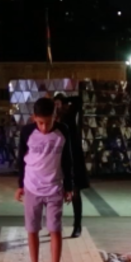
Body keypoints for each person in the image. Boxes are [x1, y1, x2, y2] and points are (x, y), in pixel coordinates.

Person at [14, 97, 75, 262]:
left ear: (55, 117)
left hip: (54, 188)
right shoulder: (26, 132)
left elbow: (68, 158)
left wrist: (69, 186)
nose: (44, 127)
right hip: (31, 187)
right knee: (32, 230)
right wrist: (19, 184)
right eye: (40, 122)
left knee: (54, 230)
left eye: (48, 122)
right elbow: (21, 159)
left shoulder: (63, 131)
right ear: (34, 118)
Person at [55, 95, 89, 238]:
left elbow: (78, 100)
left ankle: (77, 226)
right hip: (58, 160)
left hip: (74, 158)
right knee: (54, 195)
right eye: (55, 104)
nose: (57, 106)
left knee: (75, 193)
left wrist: (63, 98)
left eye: (59, 104)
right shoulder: (52, 119)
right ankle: (55, 226)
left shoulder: (69, 117)